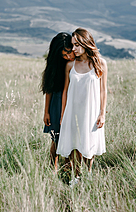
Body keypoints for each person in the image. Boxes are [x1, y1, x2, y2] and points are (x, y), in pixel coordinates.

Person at [57, 28, 108, 181]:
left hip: (91, 111)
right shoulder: (70, 65)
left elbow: (103, 91)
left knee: (89, 143)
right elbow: (65, 91)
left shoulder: (100, 63)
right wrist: (63, 114)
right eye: (73, 45)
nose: (74, 49)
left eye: (77, 45)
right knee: (74, 142)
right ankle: (76, 176)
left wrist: (102, 113)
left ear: (86, 43)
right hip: (73, 110)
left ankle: (88, 176)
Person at [41, 32, 75, 172]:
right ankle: (53, 168)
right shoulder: (55, 65)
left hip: (72, 101)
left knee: (70, 137)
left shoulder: (77, 62)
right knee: (56, 137)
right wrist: (46, 111)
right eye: (64, 54)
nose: (68, 56)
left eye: (69, 52)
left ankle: (68, 167)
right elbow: (49, 89)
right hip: (56, 102)